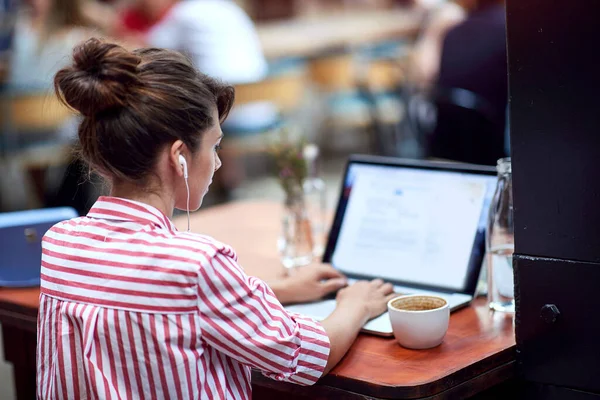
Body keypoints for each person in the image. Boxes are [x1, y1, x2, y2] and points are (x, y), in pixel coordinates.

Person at [37, 38, 395, 399]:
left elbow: (143, 292)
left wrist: (281, 289)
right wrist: (356, 304)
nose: (218, 162)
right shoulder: (197, 264)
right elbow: (304, 355)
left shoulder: (60, 243)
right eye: (215, 145)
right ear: (179, 156)